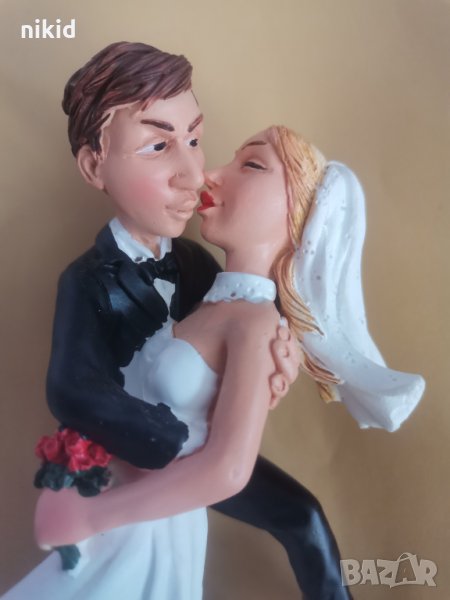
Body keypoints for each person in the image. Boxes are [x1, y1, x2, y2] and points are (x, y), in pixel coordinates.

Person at [22, 124, 424, 600]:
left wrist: (94, 515)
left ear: (299, 213)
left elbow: (228, 469)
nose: (207, 174)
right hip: (133, 505)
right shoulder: (203, 288)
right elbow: (78, 387)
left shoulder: (253, 322)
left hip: (152, 516)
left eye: (251, 165)